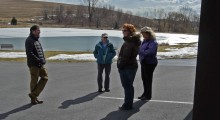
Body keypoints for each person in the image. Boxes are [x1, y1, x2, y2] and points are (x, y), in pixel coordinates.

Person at [117, 24, 141, 110]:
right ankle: (128, 104)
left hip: (127, 67)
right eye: (122, 31)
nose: (123, 32)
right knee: (129, 86)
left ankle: (127, 105)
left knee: (127, 86)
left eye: (125, 31)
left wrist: (120, 66)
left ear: (130, 32)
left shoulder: (129, 42)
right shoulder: (134, 41)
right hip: (132, 66)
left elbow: (126, 57)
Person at [25, 25, 48, 105]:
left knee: (45, 78)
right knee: (34, 82)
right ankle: (33, 99)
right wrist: (39, 60)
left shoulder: (36, 40)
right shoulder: (29, 40)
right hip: (33, 65)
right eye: (38, 30)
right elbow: (30, 53)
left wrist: (43, 59)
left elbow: (40, 51)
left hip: (40, 64)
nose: (39, 32)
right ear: (33, 31)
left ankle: (33, 95)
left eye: (39, 30)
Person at [138, 26, 158, 101]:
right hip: (144, 62)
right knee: (144, 78)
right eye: (142, 34)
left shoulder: (153, 42)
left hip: (150, 63)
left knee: (148, 79)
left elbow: (150, 52)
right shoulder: (144, 41)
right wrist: (141, 52)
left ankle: (148, 95)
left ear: (148, 33)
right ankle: (145, 93)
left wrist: (141, 52)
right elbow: (141, 50)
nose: (143, 35)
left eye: (144, 34)